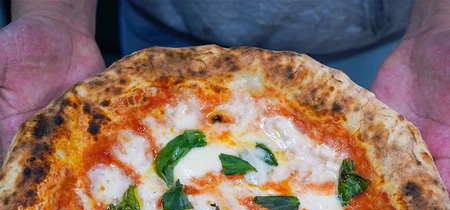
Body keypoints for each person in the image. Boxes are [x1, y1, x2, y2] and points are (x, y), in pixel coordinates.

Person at [0, 0, 449, 193]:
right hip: (163, 27)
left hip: (368, 45)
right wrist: (54, 14)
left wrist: (438, 25)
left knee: (366, 157)